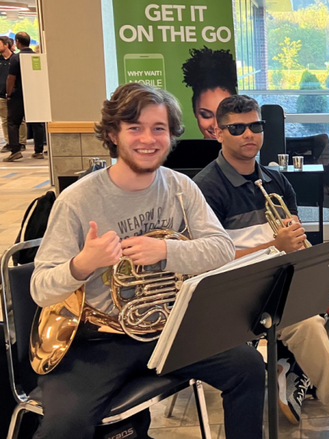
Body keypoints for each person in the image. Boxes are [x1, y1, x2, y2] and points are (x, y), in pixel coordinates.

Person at [30, 83, 266, 438]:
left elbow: (220, 248)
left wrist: (167, 251)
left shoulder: (180, 187)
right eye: (135, 128)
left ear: (171, 136)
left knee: (248, 367)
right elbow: (40, 289)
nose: (148, 139)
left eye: (159, 128)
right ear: (113, 134)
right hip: (99, 339)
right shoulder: (77, 200)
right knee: (62, 427)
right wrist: (82, 264)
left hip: (168, 331)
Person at [193, 94, 329, 439]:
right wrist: (274, 245)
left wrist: (319, 270)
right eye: (237, 128)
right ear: (218, 133)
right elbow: (207, 263)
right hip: (243, 289)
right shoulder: (206, 189)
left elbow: (296, 240)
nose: (249, 134)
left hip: (286, 276)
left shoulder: (276, 181)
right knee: (306, 323)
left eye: (255, 126)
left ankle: (297, 370)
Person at [3, 32, 45, 162]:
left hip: (18, 95)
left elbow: (11, 78)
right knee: (37, 122)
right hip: (34, 94)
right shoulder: (37, 57)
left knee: (13, 122)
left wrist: (8, 94)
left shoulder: (16, 58)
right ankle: (38, 151)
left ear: (17, 42)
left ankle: (15, 150)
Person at [182, 46, 238, 139]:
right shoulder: (186, 153)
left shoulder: (248, 151)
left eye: (224, 115)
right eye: (206, 116)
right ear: (195, 112)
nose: (216, 126)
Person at [0, 36, 25, 153]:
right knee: (5, 121)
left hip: (14, 94)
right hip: (1, 94)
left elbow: (12, 78)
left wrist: (10, 92)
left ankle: (21, 142)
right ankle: (9, 142)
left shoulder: (15, 58)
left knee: (18, 120)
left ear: (6, 45)